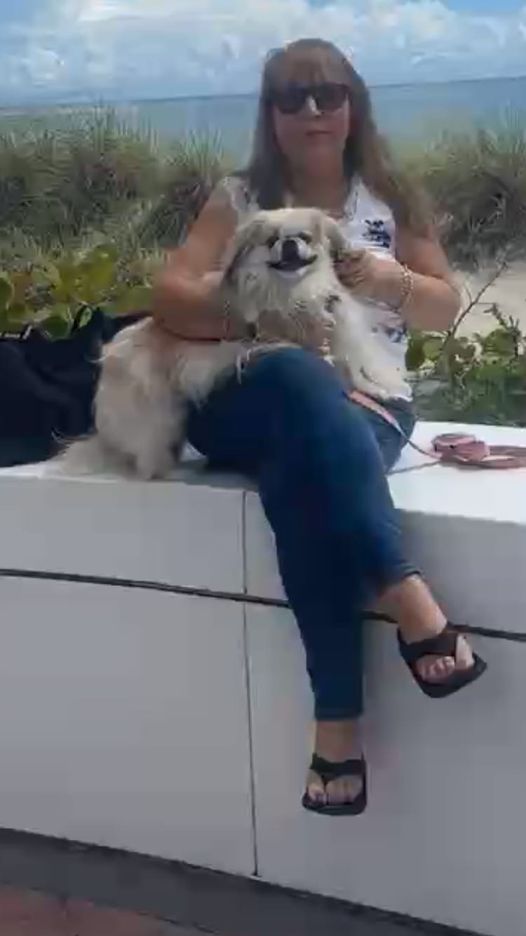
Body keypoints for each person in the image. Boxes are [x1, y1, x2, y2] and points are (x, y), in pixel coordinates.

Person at [153, 38, 486, 816]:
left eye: (328, 94)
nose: (312, 110)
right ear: (270, 114)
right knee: (300, 377)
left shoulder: (390, 197)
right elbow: (169, 297)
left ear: (352, 106)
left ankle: (336, 728)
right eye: (292, 96)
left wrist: (392, 280)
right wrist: (261, 318)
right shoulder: (239, 199)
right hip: (244, 392)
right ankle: (407, 599)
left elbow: (444, 307)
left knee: (303, 478)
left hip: (370, 394)